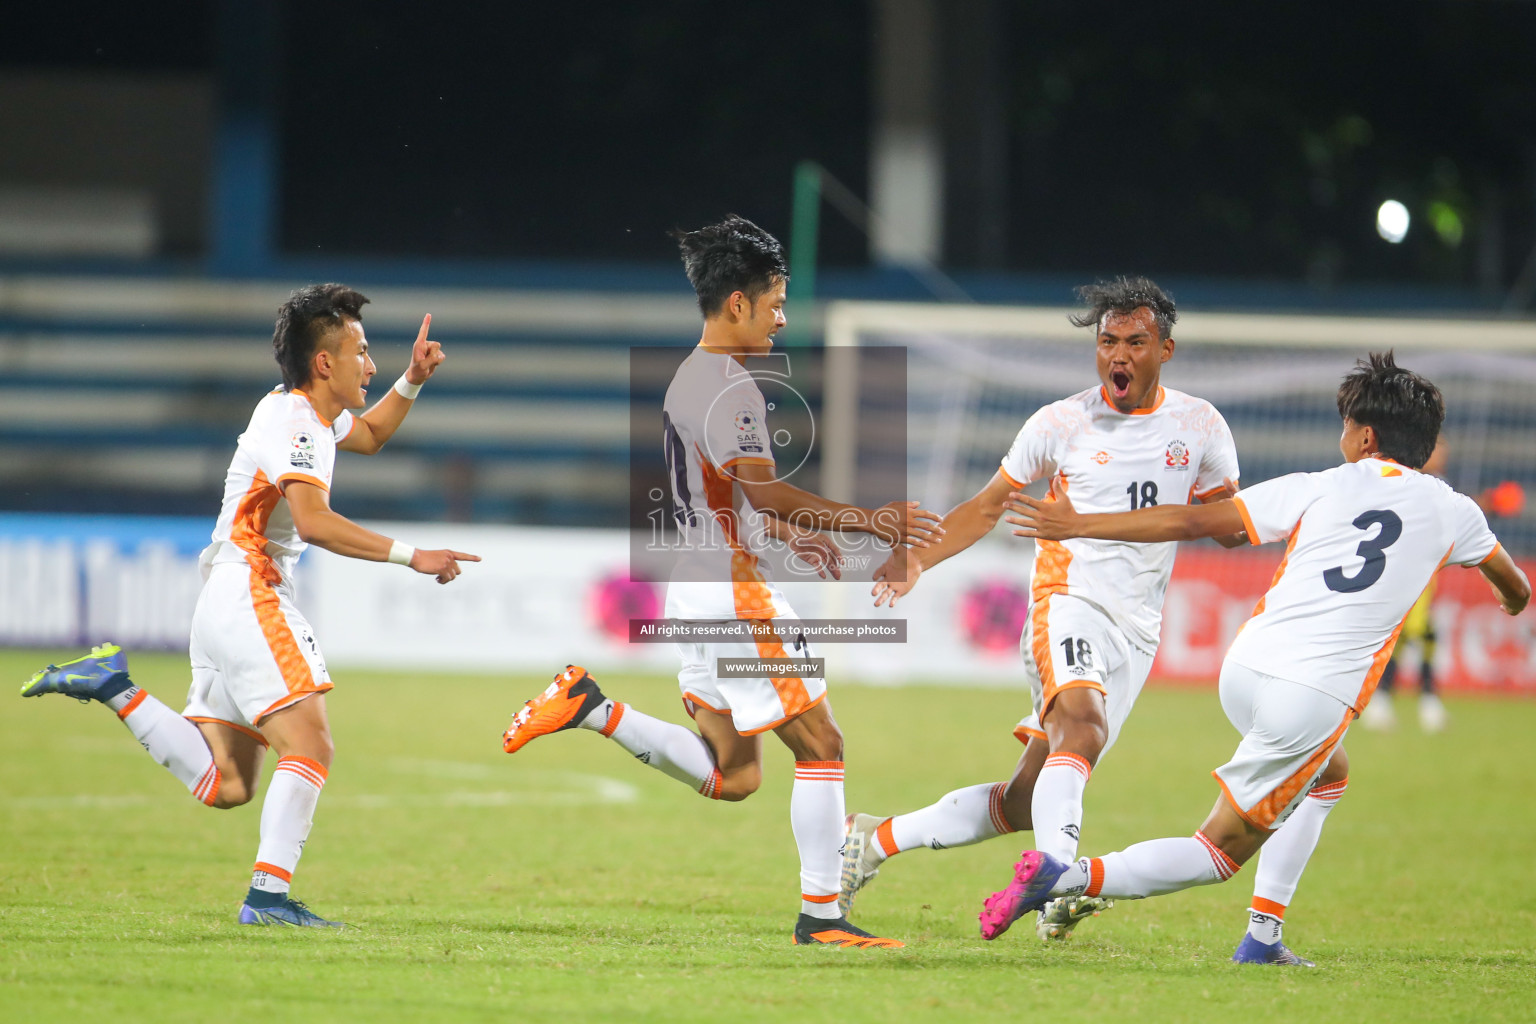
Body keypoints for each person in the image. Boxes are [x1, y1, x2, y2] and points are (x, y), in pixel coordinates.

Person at [988, 351, 1529, 965]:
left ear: (1367, 436)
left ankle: (1264, 936)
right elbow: (1516, 588)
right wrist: (1509, 602)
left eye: (1347, 425)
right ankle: (1067, 879)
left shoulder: (1315, 485)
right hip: (1313, 697)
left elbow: (1192, 520)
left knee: (1330, 772)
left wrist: (1085, 522)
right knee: (1217, 852)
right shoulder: (1457, 511)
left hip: (1244, 669)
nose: (1343, 435)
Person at [500, 215, 942, 949]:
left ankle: (592, 708)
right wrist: (873, 521)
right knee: (823, 745)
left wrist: (792, 535)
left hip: (694, 590)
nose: (784, 316)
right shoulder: (731, 389)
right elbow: (763, 496)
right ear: (736, 302)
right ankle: (823, 920)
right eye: (776, 301)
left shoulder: (689, 376)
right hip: (736, 595)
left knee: (736, 776)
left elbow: (725, 497)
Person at [21, 284, 480, 927]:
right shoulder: (294, 421)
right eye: (362, 352)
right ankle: (266, 900)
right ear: (324, 362)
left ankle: (114, 686)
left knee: (228, 785)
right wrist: (414, 555)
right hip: (252, 592)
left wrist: (413, 379)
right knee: (311, 747)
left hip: (224, 601)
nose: (370, 366)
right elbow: (314, 524)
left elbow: (372, 435)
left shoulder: (311, 413)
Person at [842, 277, 1245, 941]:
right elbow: (987, 505)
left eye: (1135, 342)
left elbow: (1229, 525)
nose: (1118, 353)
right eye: (1107, 341)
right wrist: (919, 558)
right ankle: (1058, 873)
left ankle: (873, 839)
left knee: (1025, 799)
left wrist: (1220, 518)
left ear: (1164, 349)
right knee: (1080, 728)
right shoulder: (1061, 423)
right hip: (1067, 602)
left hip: (1138, 629)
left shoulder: (1200, 425)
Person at [1363, 436, 1526, 733]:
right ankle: (1413, 701)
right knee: (1416, 634)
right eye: (1438, 449)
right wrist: (1486, 503)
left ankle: (1400, 701)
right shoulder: (1413, 482)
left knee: (1413, 636)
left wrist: (1487, 503)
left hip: (1422, 576)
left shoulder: (1431, 482)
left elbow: (1455, 513)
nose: (1442, 455)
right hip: (1404, 574)